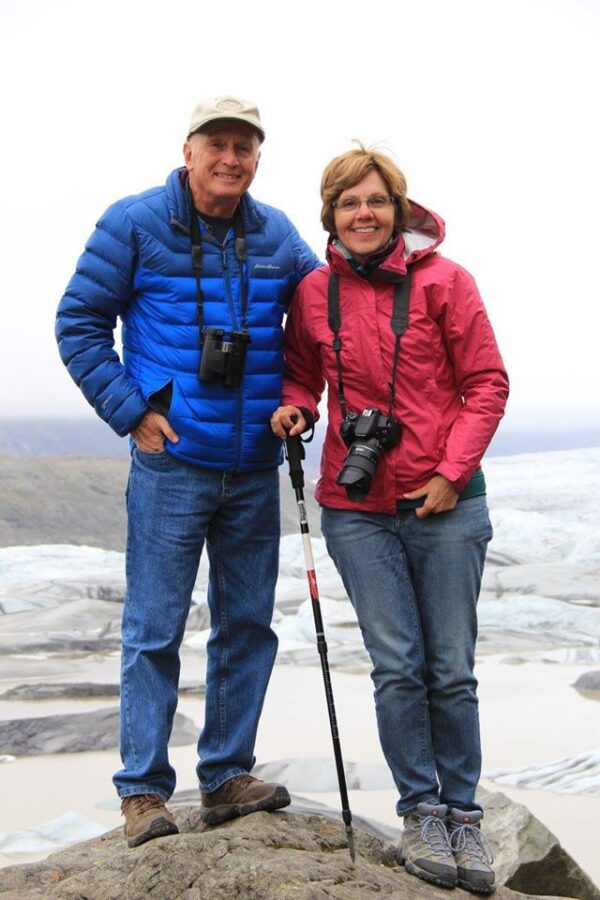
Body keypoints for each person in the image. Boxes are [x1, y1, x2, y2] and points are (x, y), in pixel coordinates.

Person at [56, 96, 320, 848]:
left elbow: (318, 313)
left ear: (258, 158)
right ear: (190, 149)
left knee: (245, 626)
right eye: (219, 145)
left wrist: (303, 397)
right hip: (172, 461)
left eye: (245, 147)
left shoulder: (276, 233)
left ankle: (227, 775)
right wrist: (131, 411)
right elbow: (78, 321)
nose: (231, 159)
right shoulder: (135, 221)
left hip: (253, 463)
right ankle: (143, 790)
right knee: (154, 629)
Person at [271, 145, 509, 894]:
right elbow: (301, 371)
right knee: (399, 667)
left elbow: (487, 383)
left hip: (445, 504)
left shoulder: (447, 282)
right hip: (357, 508)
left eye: (375, 201)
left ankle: (463, 815)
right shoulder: (314, 291)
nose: (363, 214)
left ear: (399, 209)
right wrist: (297, 408)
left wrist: (449, 473)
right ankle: (419, 811)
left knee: (451, 671)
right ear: (330, 215)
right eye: (348, 203)